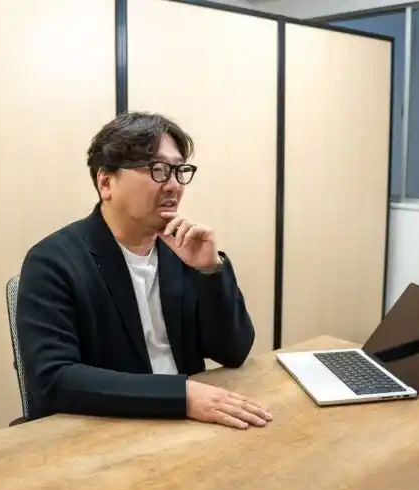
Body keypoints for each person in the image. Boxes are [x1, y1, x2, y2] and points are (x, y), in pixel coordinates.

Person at [16, 112, 272, 430]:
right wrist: (182, 396)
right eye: (158, 169)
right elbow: (53, 379)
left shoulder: (182, 250)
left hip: (191, 424)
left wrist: (210, 272)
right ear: (106, 183)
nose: (174, 185)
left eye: (179, 171)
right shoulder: (52, 262)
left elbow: (233, 351)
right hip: (107, 428)